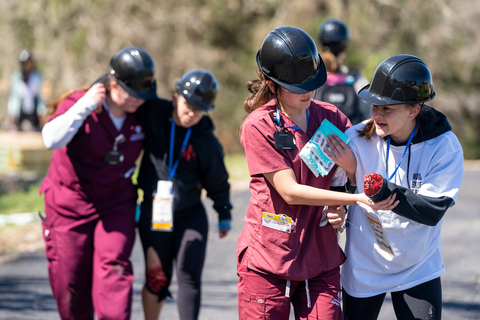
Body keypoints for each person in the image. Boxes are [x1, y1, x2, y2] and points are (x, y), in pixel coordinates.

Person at [237, 26, 398, 320]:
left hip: (320, 257)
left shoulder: (333, 118)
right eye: (299, 87)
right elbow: (289, 191)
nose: (309, 92)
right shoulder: (259, 126)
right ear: (273, 85)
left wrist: (343, 195)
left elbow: (344, 180)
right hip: (270, 258)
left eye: (312, 83)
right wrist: (358, 199)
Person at [334, 54, 464, 320]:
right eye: (374, 106)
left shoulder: (443, 145)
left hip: (417, 266)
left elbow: (432, 211)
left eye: (388, 109)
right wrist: (342, 196)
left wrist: (385, 191)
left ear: (413, 110)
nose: (377, 115)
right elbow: (336, 194)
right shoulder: (356, 139)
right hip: (364, 266)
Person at [39, 46, 157, 320]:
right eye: (132, 94)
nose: (138, 100)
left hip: (115, 203)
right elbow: (50, 139)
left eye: (143, 95)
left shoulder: (142, 110)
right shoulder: (82, 104)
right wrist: (85, 105)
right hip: (70, 204)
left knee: (114, 269)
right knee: (71, 285)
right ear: (113, 84)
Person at [136, 69, 233, 320]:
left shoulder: (206, 141)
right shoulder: (153, 113)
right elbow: (136, 93)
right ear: (174, 96)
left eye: (200, 110)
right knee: (157, 278)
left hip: (190, 214)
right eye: (188, 105)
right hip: (153, 212)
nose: (192, 114)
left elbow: (218, 180)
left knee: (189, 275)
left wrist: (224, 212)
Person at [313, 18, 371, 125]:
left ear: (321, 46)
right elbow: (369, 112)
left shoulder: (312, 76)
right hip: (351, 139)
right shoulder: (355, 77)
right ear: (344, 49)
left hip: (317, 139)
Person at [7, 49, 46, 131]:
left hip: (34, 112)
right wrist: (11, 111)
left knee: (36, 131)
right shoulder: (16, 77)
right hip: (20, 111)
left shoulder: (38, 77)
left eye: (27, 62)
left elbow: (40, 96)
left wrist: (42, 111)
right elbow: (14, 96)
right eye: (23, 63)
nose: (26, 65)